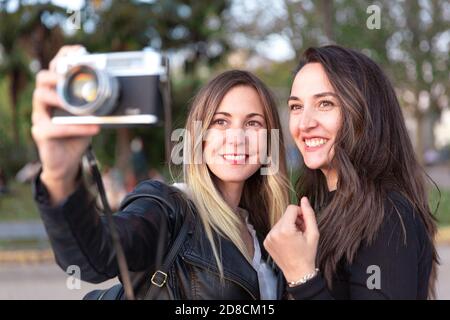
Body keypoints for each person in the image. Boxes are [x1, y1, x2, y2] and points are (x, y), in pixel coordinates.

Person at [31, 45, 290, 299]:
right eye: (220, 122)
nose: (236, 138)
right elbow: (97, 255)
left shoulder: (269, 230)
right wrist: (59, 177)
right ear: (199, 136)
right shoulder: (167, 209)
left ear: (270, 139)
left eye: (253, 123)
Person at [264, 45, 438, 300]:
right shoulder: (323, 205)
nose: (305, 123)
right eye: (296, 107)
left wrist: (301, 276)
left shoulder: (386, 217)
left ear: (365, 113)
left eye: (325, 103)